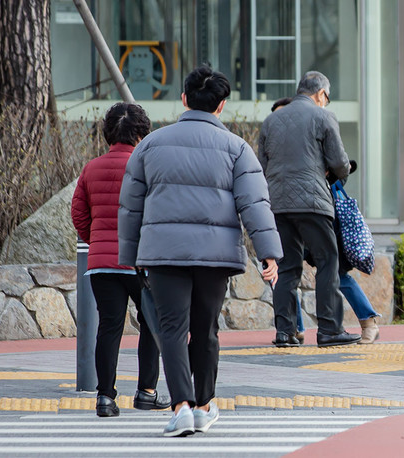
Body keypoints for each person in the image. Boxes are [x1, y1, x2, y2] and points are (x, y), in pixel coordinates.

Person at [118, 65, 282, 437]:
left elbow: (131, 206)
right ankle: (205, 404)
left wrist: (131, 256)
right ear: (221, 106)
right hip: (214, 255)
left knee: (172, 330)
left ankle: (181, 409)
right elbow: (254, 203)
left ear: (183, 99)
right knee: (206, 329)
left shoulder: (150, 145)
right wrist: (268, 252)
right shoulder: (236, 148)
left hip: (163, 254)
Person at [71, 102, 170, 417]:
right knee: (151, 324)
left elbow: (78, 212)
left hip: (100, 262)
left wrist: (95, 240)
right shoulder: (147, 166)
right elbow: (158, 214)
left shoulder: (91, 168)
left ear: (108, 133)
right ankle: (146, 392)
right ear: (141, 133)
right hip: (140, 261)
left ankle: (105, 397)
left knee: (109, 327)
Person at [258, 73, 361, 348]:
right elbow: (339, 163)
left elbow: (262, 166)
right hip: (313, 203)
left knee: (287, 267)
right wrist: (336, 174)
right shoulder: (323, 117)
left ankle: (285, 332)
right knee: (328, 261)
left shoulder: (270, 121)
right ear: (320, 94)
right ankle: (329, 329)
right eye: (327, 97)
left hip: (277, 204)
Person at [269, 97, 380, 344]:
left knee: (336, 271)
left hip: (319, 212)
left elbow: (341, 165)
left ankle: (368, 320)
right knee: (287, 271)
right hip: (289, 212)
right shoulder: (282, 141)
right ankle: (293, 329)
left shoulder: (311, 129)